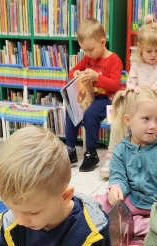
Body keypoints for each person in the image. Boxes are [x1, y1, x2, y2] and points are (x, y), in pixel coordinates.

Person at [99, 14, 157, 178]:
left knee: (142, 123)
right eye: (149, 51)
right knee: (119, 116)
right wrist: (133, 89)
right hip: (139, 108)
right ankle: (114, 156)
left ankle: (147, 160)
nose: (153, 55)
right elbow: (130, 83)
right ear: (139, 48)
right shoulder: (136, 65)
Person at [94, 86, 157, 236]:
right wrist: (115, 188)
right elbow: (118, 176)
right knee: (98, 204)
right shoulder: (121, 150)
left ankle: (136, 225)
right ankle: (141, 225)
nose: (153, 125)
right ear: (128, 120)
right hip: (131, 202)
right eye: (146, 119)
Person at [65, 17, 123, 172]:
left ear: (103, 42)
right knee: (71, 108)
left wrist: (97, 78)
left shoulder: (114, 60)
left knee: (90, 114)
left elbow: (115, 85)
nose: (88, 54)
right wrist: (76, 73)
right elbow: (72, 71)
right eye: (84, 50)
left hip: (107, 99)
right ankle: (70, 150)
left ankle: (91, 152)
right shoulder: (87, 59)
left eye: (90, 49)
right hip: (88, 97)